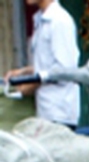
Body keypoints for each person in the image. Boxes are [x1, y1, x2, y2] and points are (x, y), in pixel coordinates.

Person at [3, 0, 80, 128]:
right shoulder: (41, 20)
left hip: (58, 113)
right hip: (46, 113)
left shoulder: (59, 21)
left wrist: (30, 87)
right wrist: (23, 72)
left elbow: (64, 69)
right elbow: (47, 64)